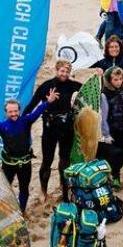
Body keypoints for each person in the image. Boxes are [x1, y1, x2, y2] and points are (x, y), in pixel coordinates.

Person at [0, 87, 56, 212]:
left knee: (24, 189)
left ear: (19, 110)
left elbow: (37, 112)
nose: (13, 114)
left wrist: (48, 102)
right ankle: (4, 209)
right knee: (5, 187)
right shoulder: (2, 126)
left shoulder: (26, 121)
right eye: (10, 112)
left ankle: (21, 210)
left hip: (25, 163)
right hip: (8, 164)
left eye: (15, 111)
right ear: (6, 113)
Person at [24, 60, 82, 201]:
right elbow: (31, 105)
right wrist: (22, 122)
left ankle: (65, 191)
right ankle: (44, 192)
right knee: (47, 162)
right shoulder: (46, 86)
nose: (64, 74)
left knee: (65, 160)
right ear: (56, 71)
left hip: (67, 129)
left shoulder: (74, 85)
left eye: (67, 72)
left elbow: (93, 90)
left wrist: (99, 74)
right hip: (50, 129)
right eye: (62, 71)